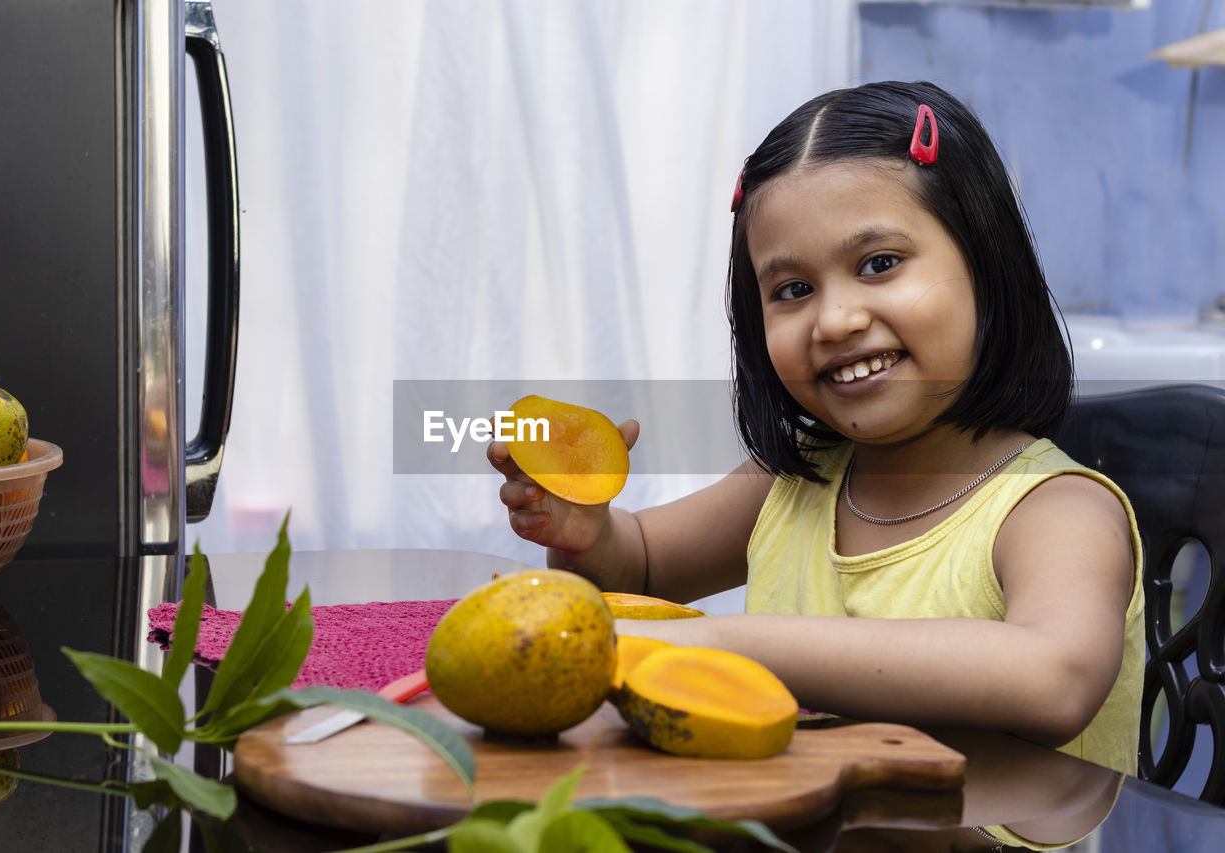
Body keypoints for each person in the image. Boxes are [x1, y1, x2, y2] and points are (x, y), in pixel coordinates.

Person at [488, 80, 1143, 793]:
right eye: (792, 289)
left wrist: (724, 639)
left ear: (987, 267)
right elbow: (636, 569)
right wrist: (586, 530)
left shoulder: (1058, 509)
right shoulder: (796, 480)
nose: (834, 321)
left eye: (879, 264)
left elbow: (1053, 678)